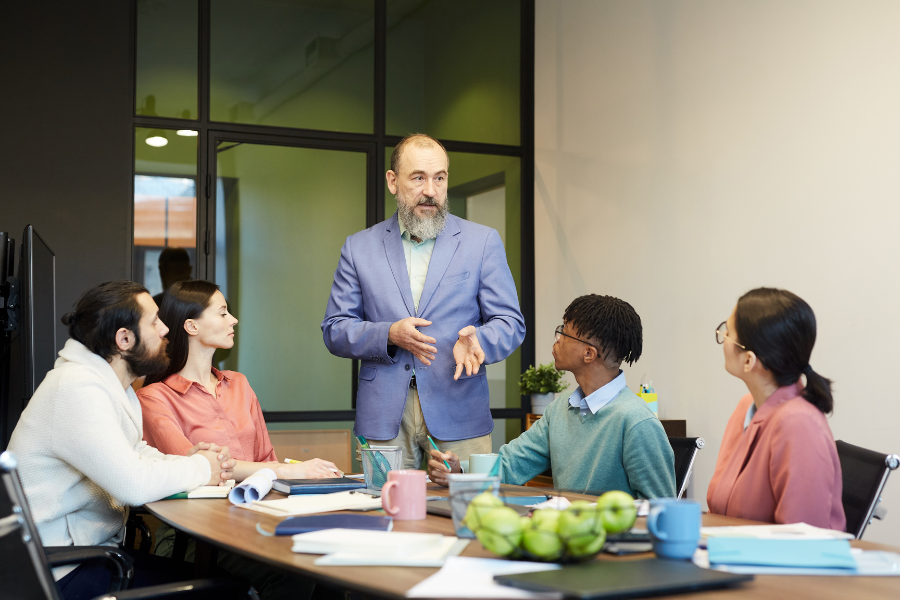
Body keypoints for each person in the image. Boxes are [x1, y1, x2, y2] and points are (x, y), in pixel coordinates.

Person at [8, 281, 235, 599]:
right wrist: (201, 467)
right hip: (55, 573)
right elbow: (133, 484)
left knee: (223, 580)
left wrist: (189, 462)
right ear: (124, 339)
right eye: (155, 321)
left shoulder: (111, 385)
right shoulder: (76, 388)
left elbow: (134, 451)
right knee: (226, 590)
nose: (166, 330)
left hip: (87, 557)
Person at [322, 133, 525, 469]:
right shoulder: (359, 248)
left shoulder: (482, 242)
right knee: (385, 512)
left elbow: (510, 323)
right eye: (418, 178)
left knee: (464, 514)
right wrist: (389, 334)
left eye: (439, 178)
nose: (431, 190)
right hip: (384, 416)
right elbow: (335, 329)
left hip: (459, 409)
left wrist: (479, 338)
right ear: (393, 181)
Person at [428, 294, 675, 499]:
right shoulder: (560, 410)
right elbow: (511, 464)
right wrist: (459, 471)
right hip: (565, 540)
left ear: (588, 354)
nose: (557, 339)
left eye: (564, 332)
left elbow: (661, 510)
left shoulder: (636, 422)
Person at [139, 279, 340, 481]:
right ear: (191, 326)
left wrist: (301, 472)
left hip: (255, 500)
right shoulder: (154, 398)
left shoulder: (239, 384)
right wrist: (285, 471)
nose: (233, 320)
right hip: (198, 510)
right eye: (223, 313)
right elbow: (193, 467)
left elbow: (266, 460)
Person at [707, 288, 845, 529]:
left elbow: (802, 544)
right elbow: (720, 507)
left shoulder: (799, 425)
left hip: (769, 566)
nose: (723, 338)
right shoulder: (747, 407)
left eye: (727, 332)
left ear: (749, 360)